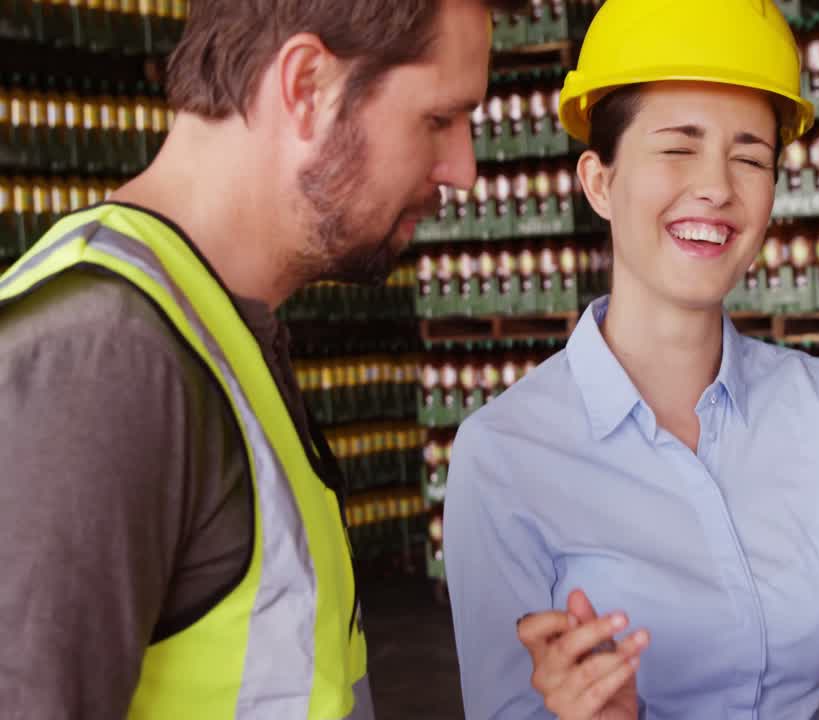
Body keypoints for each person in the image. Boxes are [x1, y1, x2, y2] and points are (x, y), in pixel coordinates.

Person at [443, 0, 819, 718]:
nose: (718, 187)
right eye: (677, 147)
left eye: (749, 156)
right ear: (599, 182)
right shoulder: (505, 456)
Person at [0, 0, 516, 716]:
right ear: (307, 86)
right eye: (438, 120)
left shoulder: (219, 327)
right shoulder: (100, 360)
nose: (463, 169)